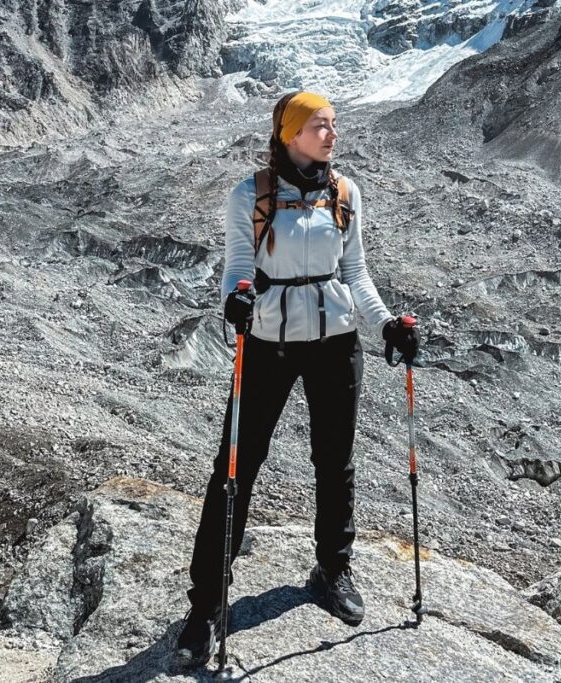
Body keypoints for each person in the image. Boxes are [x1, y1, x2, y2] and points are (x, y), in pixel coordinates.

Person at [174, 91, 420, 668]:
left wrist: (385, 324)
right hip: (267, 345)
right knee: (236, 464)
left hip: (335, 343)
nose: (332, 135)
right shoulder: (252, 195)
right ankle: (207, 602)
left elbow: (353, 271)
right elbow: (238, 268)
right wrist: (235, 300)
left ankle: (332, 569)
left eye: (333, 125)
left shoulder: (345, 192)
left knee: (335, 460)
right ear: (289, 133)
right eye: (320, 126)